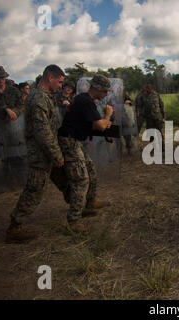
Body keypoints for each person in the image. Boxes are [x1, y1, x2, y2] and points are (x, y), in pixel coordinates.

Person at [6, 65, 66, 243]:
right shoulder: (39, 99)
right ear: (50, 77)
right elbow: (42, 132)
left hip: (44, 152)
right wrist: (56, 155)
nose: (61, 86)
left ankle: (80, 206)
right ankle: (15, 227)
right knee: (34, 189)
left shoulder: (43, 97)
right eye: (60, 81)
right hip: (41, 154)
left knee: (57, 182)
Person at [57, 75, 113, 230]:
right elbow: (100, 126)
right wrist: (108, 115)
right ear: (97, 88)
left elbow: (94, 125)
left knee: (90, 169)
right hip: (69, 141)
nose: (106, 95)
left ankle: (90, 201)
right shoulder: (86, 101)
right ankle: (73, 220)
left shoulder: (83, 99)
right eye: (105, 91)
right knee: (81, 179)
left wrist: (103, 122)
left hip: (74, 140)